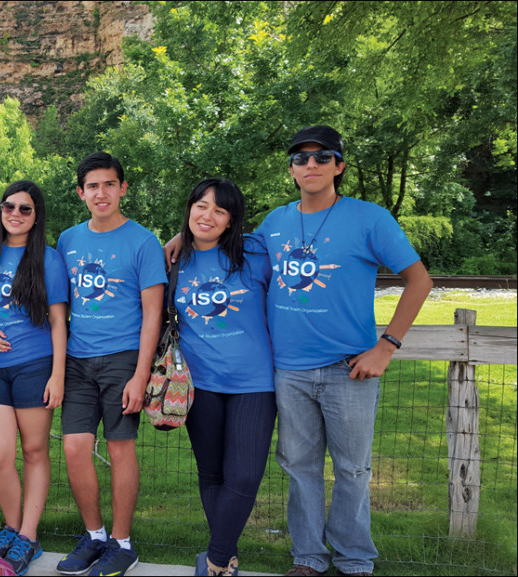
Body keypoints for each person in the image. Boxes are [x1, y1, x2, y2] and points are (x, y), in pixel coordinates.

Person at [165, 126, 432, 576]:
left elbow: (419, 280)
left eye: (322, 157)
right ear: (291, 169)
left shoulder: (370, 219)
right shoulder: (275, 223)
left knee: (352, 470)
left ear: (339, 166)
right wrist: (181, 237)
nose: (311, 165)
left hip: (349, 368)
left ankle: (354, 561)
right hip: (286, 371)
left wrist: (386, 347)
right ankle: (308, 558)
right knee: (299, 468)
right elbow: (220, 235)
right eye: (301, 158)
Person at [55, 153, 166, 576]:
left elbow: (152, 313)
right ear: (81, 192)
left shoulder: (142, 241)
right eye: (92, 186)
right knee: (74, 448)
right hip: (78, 360)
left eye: (109, 184)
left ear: (122, 188)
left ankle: (123, 543)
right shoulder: (68, 240)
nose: (101, 193)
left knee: (121, 451)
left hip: (123, 359)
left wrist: (140, 375)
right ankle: (95, 536)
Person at [170, 179, 276, 577]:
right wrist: (174, 239)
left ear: (232, 221)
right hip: (199, 384)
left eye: (219, 210)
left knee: (245, 474)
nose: (207, 215)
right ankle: (225, 560)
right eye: (200, 205)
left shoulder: (255, 252)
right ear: (189, 209)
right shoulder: (174, 261)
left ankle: (214, 559)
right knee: (211, 473)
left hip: (254, 383)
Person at [0, 180, 69, 575]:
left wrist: (58, 374)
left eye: (25, 208)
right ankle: (10, 526)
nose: (15, 213)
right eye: (9, 206)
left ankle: (27, 535)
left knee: (33, 452)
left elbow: (59, 320)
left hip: (35, 365)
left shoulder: (48, 258)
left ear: (36, 215)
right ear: (0, 210)